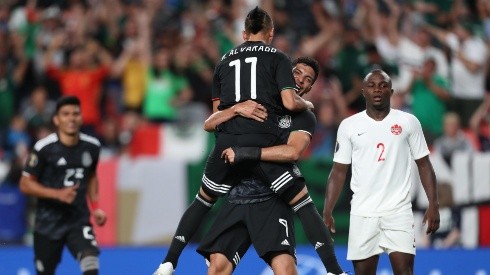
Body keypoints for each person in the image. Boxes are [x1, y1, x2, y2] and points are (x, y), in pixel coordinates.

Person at [153, 7, 311, 275]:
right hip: (260, 163)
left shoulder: (223, 62)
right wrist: (305, 103)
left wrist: (235, 110)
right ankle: (333, 268)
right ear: (271, 34)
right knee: (301, 213)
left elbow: (214, 119)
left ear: (243, 33)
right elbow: (288, 105)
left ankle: (169, 261)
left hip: (230, 152)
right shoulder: (280, 60)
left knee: (203, 200)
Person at [200, 57, 345, 275]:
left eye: (307, 79)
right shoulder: (254, 100)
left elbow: (293, 152)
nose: (300, 80)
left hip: (272, 198)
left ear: (310, 88)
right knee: (217, 268)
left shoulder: (304, 117)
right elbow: (211, 123)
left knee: (285, 270)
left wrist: (245, 153)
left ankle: (335, 270)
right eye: (297, 73)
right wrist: (235, 110)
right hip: (239, 193)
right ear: (286, 73)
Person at [323, 69, 440, 275]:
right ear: (363, 92)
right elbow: (338, 171)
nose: (377, 89)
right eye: (372, 85)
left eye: (383, 85)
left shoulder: (408, 122)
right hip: (363, 213)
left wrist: (434, 204)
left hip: (399, 212)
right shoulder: (349, 126)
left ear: (391, 91)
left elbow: (424, 164)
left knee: (405, 272)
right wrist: (327, 210)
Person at [19, 96, 107, 275]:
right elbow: (25, 184)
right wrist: (57, 194)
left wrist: (96, 207)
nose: (71, 118)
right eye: (65, 114)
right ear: (56, 120)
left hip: (78, 219)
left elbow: (91, 175)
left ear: (81, 118)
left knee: (91, 265)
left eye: (75, 113)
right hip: (48, 222)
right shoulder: (44, 148)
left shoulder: (92, 146)